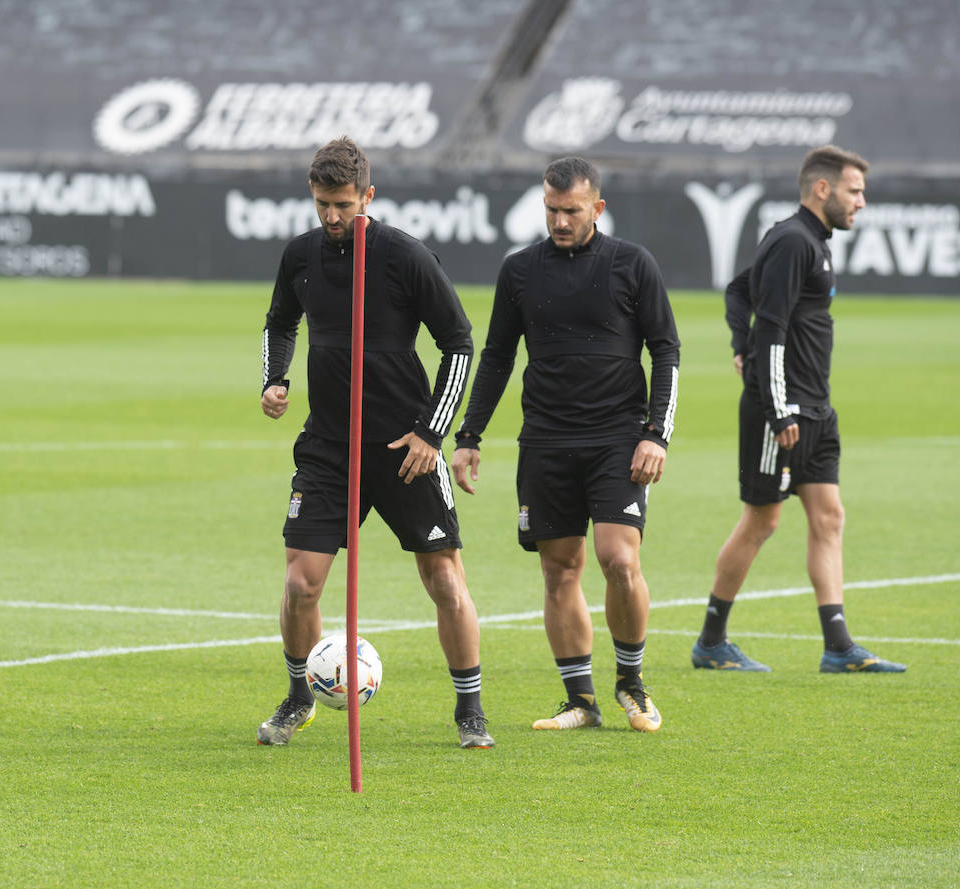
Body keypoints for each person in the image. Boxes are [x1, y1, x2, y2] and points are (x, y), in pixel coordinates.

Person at [256, 137, 493, 749]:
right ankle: (297, 696)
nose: (331, 217)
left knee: (444, 579)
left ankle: (470, 708)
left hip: (404, 449)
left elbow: (459, 343)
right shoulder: (301, 255)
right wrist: (274, 377)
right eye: (321, 204)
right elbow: (280, 321)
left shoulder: (404, 257)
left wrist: (431, 433)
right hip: (328, 448)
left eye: (342, 204)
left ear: (368, 196)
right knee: (300, 583)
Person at [452, 156, 680, 732]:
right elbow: (498, 356)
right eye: (551, 210)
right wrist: (469, 435)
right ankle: (581, 700)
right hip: (547, 441)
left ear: (596, 208)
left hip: (617, 438)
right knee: (559, 570)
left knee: (618, 560)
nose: (559, 221)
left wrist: (657, 434)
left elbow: (666, 351)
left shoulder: (632, 264)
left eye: (571, 211)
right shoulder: (521, 270)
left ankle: (631, 682)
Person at [691, 145, 906, 674]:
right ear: (822, 188)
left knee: (829, 516)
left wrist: (739, 345)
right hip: (783, 411)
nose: (861, 202)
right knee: (761, 521)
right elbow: (774, 326)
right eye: (855, 191)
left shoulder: (810, 241)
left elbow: (739, 289)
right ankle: (711, 642)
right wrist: (776, 404)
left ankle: (838, 648)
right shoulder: (793, 241)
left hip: (815, 408)